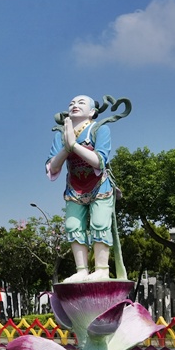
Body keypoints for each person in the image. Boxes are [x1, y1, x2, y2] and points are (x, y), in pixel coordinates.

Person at [46, 95, 120, 282]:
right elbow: (52, 167)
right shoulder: (61, 134)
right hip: (74, 188)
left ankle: (102, 269)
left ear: (92, 111)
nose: (75, 105)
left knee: (100, 224)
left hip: (99, 185)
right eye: (71, 103)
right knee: (73, 226)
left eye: (81, 103)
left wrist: (74, 146)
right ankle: (81, 270)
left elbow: (99, 161)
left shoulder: (99, 129)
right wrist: (66, 146)